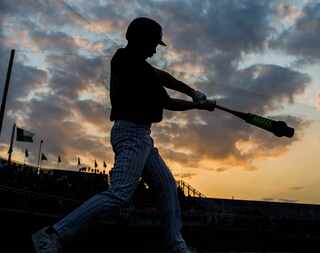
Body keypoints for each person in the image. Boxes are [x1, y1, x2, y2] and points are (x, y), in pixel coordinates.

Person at [32, 17, 215, 253]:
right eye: (153, 44)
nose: (154, 50)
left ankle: (176, 246)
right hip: (132, 134)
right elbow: (167, 102)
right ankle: (52, 235)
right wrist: (198, 106)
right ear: (141, 41)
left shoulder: (127, 58)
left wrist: (192, 91)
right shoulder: (136, 68)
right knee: (119, 194)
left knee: (166, 185)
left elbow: (164, 76)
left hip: (140, 136)